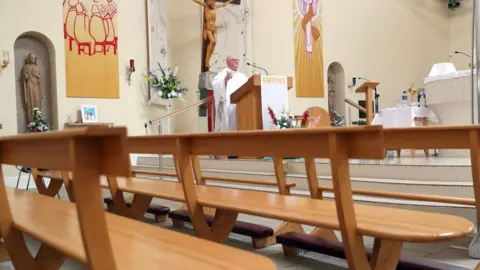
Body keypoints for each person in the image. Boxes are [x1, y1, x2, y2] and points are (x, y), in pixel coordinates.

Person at [192, 0, 233, 70]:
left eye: (214, 3)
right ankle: (206, 61)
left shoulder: (215, 7)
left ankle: (208, 60)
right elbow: (198, 2)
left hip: (214, 28)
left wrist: (229, 1)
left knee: (214, 43)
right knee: (212, 42)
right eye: (212, 3)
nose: (214, 4)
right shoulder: (206, 6)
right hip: (208, 27)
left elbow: (223, 5)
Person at [212, 55, 248, 132]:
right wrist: (225, 80)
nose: (236, 61)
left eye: (237, 60)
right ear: (228, 62)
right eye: (233, 60)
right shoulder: (222, 74)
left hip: (243, 105)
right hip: (229, 105)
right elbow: (216, 85)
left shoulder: (243, 76)